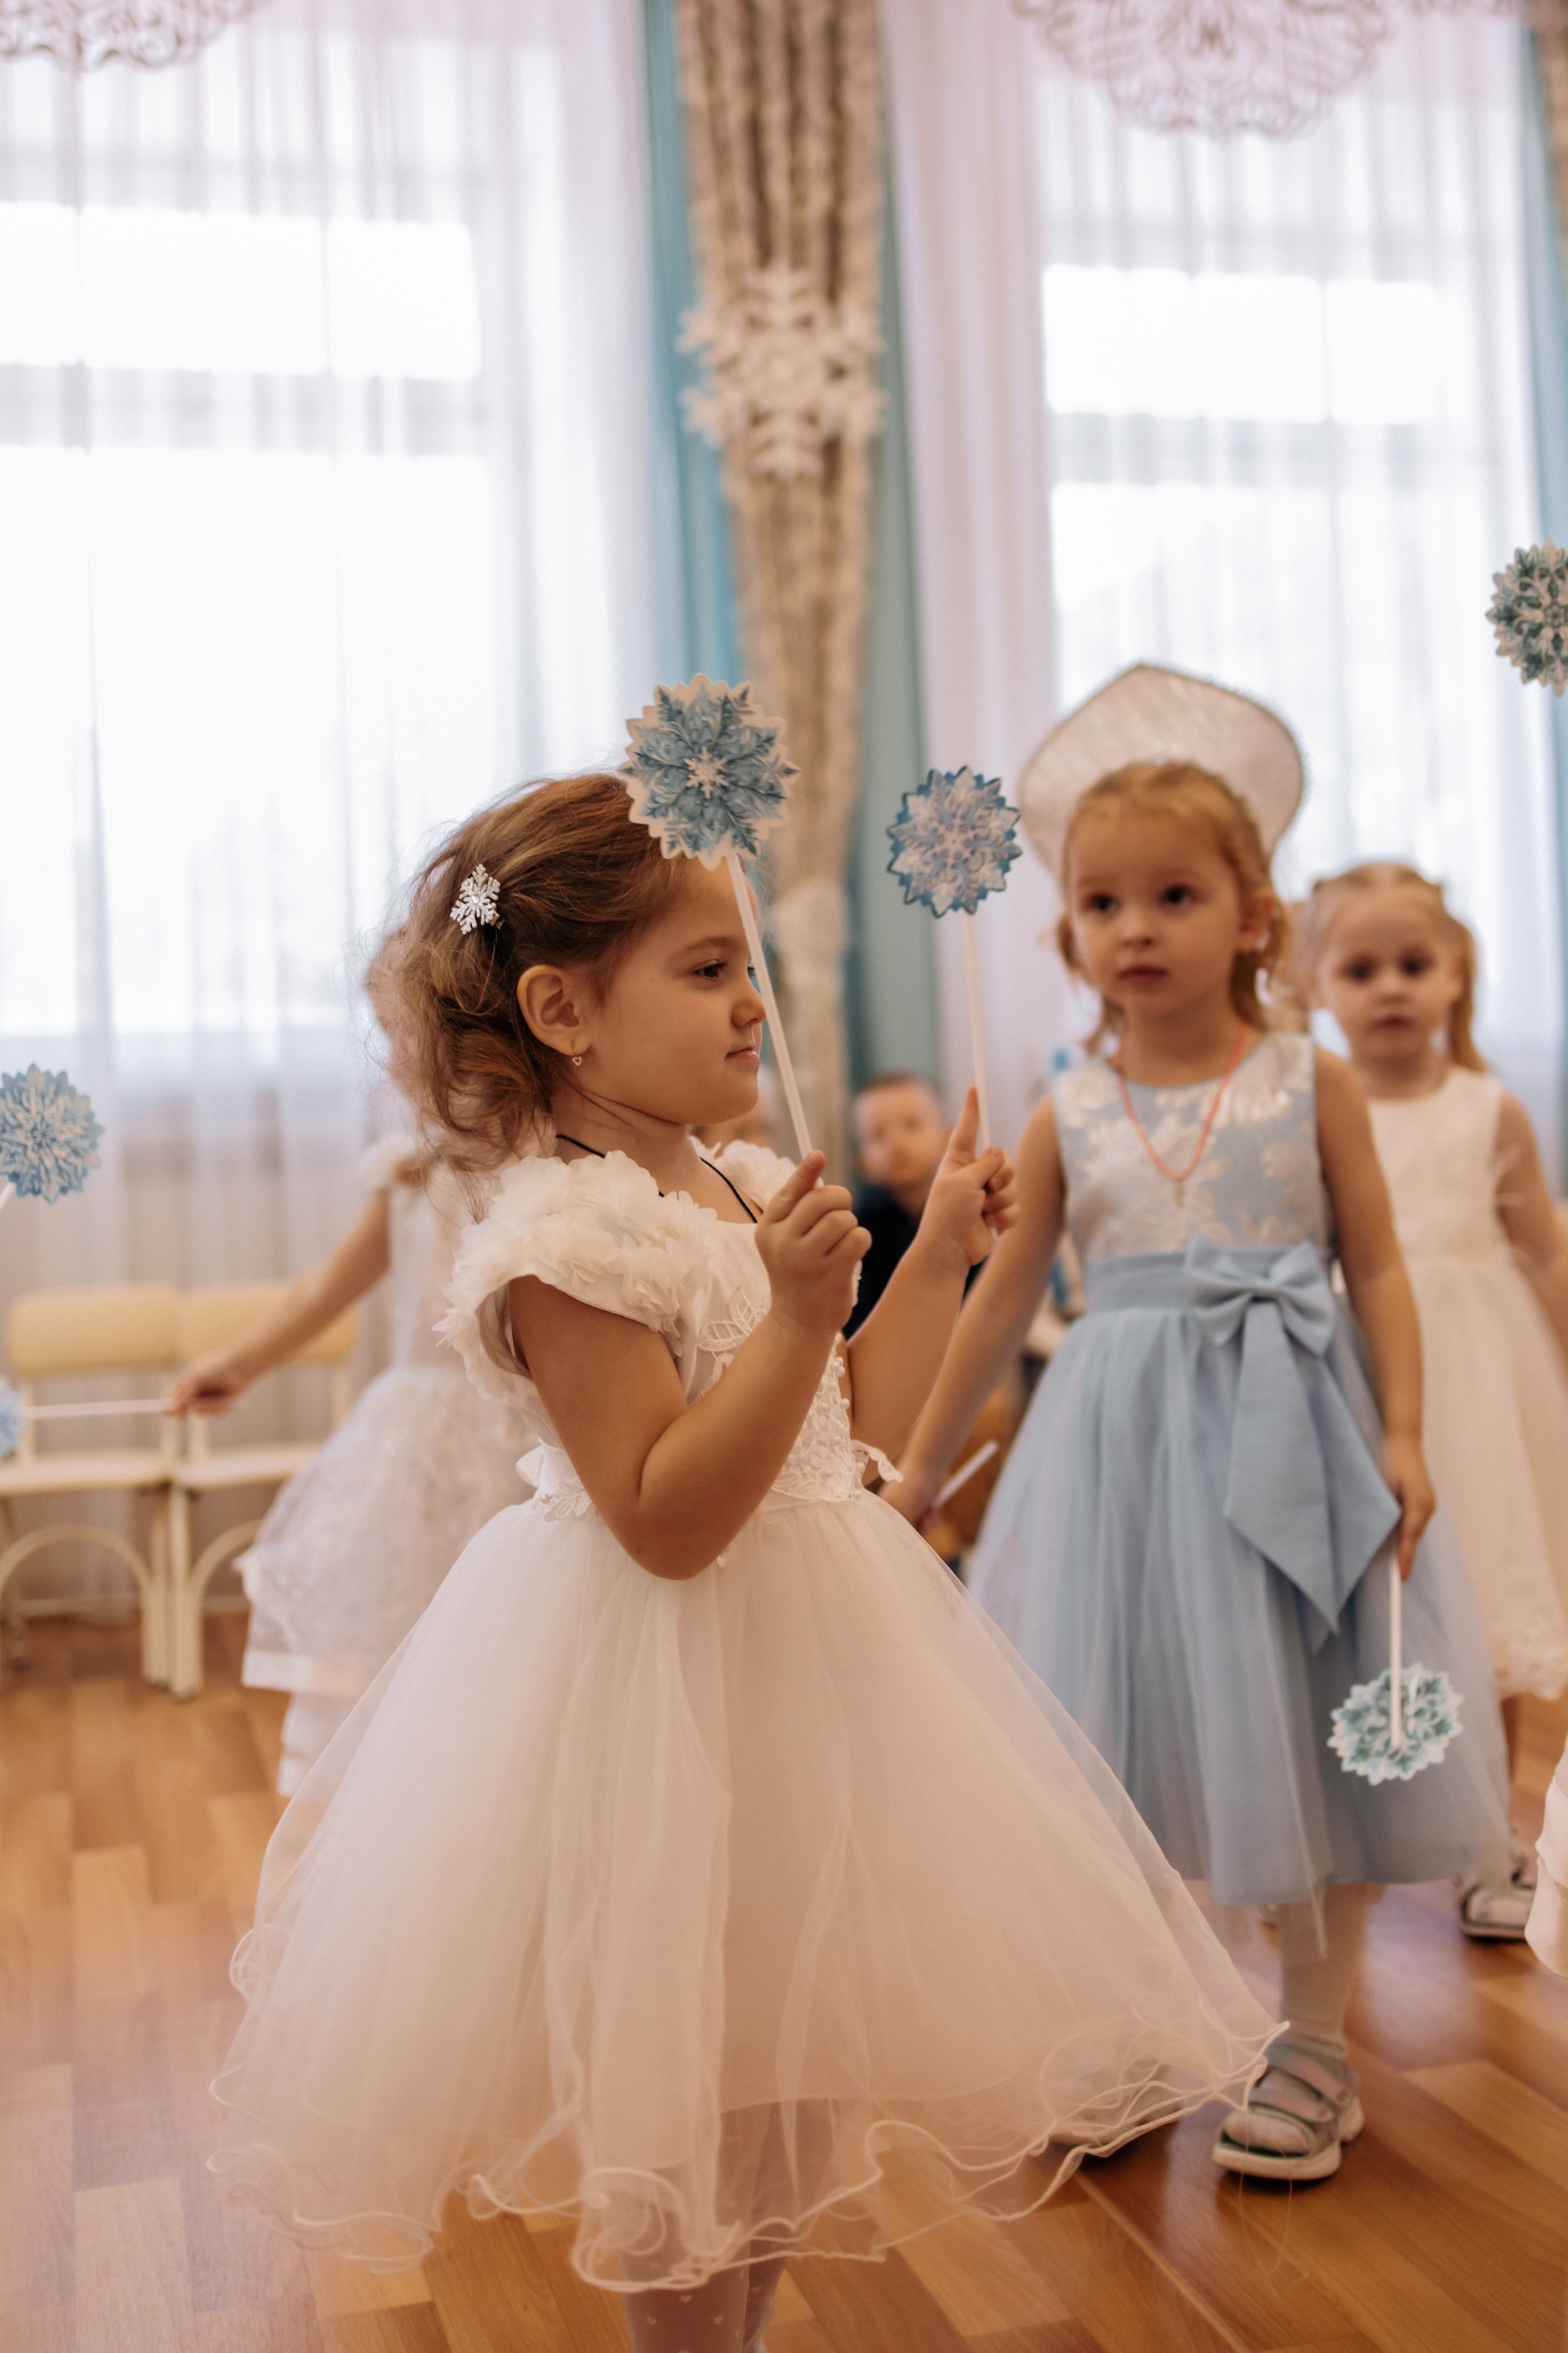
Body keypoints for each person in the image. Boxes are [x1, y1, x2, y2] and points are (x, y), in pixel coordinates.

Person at [210, 769, 1272, 2346]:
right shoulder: (562, 1240)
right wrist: (791, 1317)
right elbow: (666, 1515)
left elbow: (852, 1425)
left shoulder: (744, 1180)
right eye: (709, 968)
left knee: (782, 2076)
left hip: (805, 1682)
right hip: (659, 1692)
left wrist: (940, 1259)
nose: (754, 1001)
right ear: (565, 1010)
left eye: (745, 963)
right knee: (691, 2086)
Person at [892, 671, 1510, 2187]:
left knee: (1312, 1727)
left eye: (1175, 894)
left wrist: (1407, 1432)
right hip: (1121, 1458)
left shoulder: (1312, 1082)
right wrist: (922, 1462)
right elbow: (1000, 1298)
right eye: (1104, 902)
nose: (1138, 928)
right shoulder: (1068, 1108)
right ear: (1068, 935)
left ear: (1254, 918)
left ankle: (1315, 2038)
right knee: (1127, 1744)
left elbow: (1377, 1264)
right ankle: (1132, 2020)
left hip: (1300, 1429)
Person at [1297, 861, 1568, 1939]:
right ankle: (1325, 1837)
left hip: (1484, 1386)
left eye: (1415, 964)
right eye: (1361, 969)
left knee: (1491, 1588)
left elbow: (1544, 1253)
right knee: (1356, 1610)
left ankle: (1496, 1840)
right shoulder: (1313, 1107)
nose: (1391, 988)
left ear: (1458, 975)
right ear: (1317, 984)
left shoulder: (1489, 1109)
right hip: (1363, 1375)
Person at [169, 1124, 527, 1794]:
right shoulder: (409, 1170)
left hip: (525, 1438)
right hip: (421, 1446)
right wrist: (237, 1362)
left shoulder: (552, 1152)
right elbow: (325, 1286)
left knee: (508, 1648)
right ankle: (400, 1802)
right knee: (402, 1636)